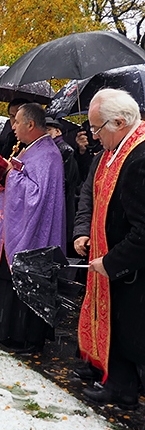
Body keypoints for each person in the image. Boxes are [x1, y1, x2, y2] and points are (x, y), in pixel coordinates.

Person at [74, 89, 145, 409]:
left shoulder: (139, 158)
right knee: (121, 325)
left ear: (119, 122)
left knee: (132, 329)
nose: (93, 136)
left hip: (131, 266)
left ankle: (125, 385)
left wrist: (113, 261)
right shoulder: (118, 151)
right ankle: (121, 385)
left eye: (97, 129)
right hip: (120, 264)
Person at [0, 103, 66, 354]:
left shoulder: (48, 155)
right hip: (20, 227)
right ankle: (9, 332)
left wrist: (9, 174)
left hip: (37, 234)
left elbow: (36, 196)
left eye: (16, 122)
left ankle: (27, 338)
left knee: (28, 284)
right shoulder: (31, 150)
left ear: (30, 124)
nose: (12, 127)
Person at [45, 117, 80, 256]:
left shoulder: (65, 150)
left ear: (57, 131)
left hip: (64, 204)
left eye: (48, 130)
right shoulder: (50, 150)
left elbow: (65, 181)